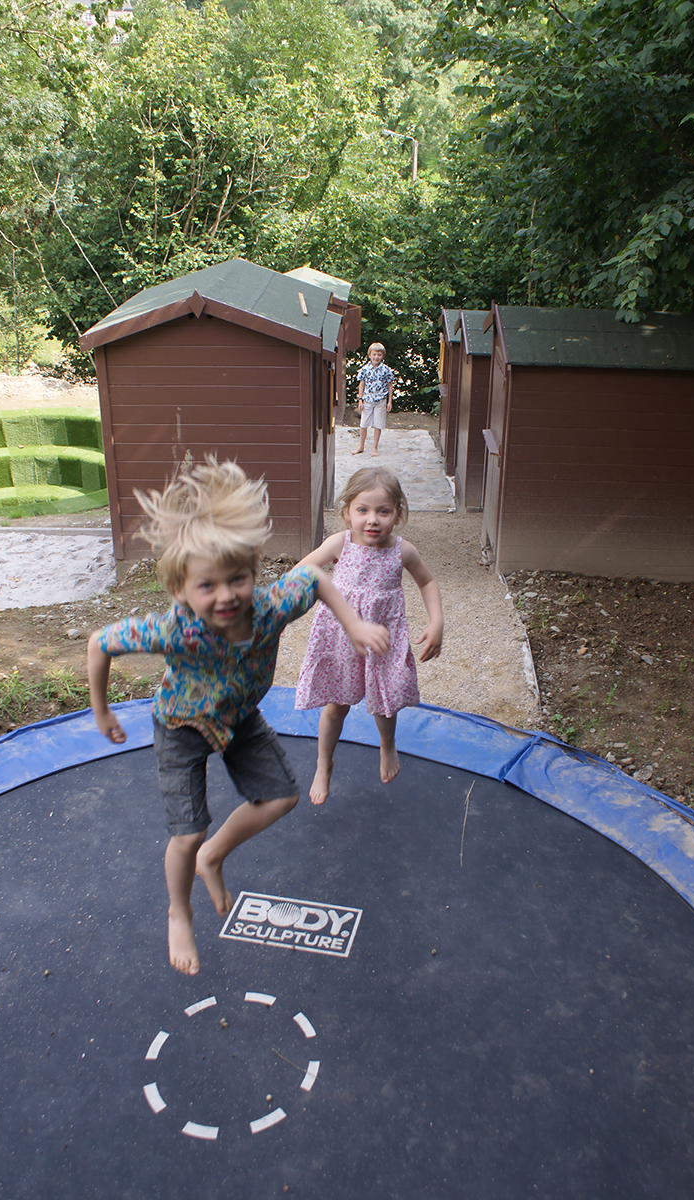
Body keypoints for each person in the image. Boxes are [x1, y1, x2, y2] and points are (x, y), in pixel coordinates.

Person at [87, 458, 389, 977]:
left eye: (238, 579)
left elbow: (315, 577)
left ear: (254, 574)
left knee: (282, 797)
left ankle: (215, 856)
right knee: (185, 832)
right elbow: (99, 643)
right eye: (208, 586)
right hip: (182, 727)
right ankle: (178, 910)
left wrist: (355, 624)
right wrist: (101, 709)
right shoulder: (173, 630)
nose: (226, 595)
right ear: (181, 591)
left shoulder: (269, 607)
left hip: (240, 718)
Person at [295, 466, 443, 805]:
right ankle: (323, 763)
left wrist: (436, 621)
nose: (372, 519)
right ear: (347, 513)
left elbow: (428, 581)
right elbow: (303, 571)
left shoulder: (402, 550)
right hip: (342, 637)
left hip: (384, 637)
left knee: (386, 702)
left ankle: (387, 745)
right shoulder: (339, 544)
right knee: (337, 706)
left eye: (383, 511)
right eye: (362, 510)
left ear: (398, 515)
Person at [353, 341, 395, 457]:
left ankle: (374, 447)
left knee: (378, 424)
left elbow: (390, 385)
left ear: (382, 356)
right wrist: (360, 400)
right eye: (374, 354)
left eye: (379, 354)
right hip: (367, 400)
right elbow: (361, 384)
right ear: (370, 355)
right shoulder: (365, 369)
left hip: (380, 401)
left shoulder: (386, 370)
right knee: (363, 423)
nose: (376, 357)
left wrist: (389, 401)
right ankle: (361, 446)